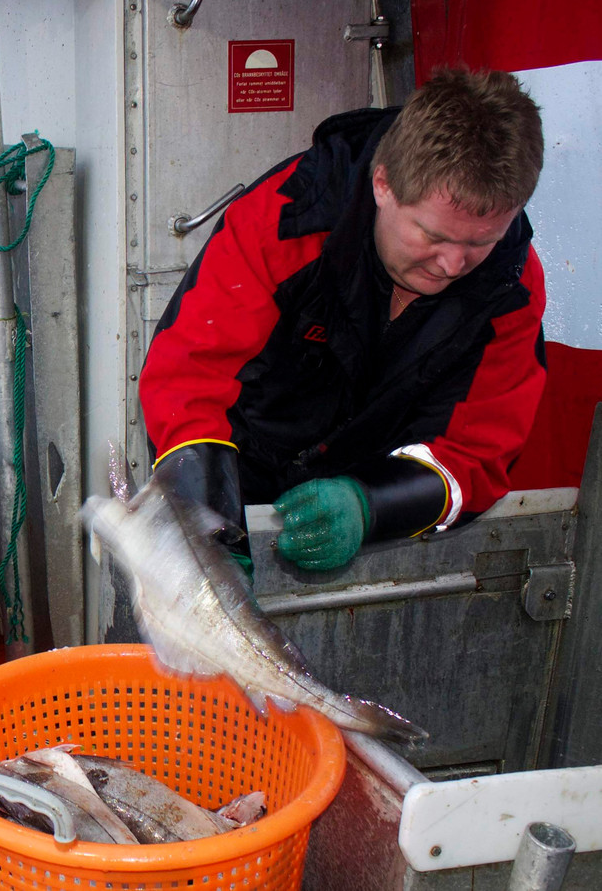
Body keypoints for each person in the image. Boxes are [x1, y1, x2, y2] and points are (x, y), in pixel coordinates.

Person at [140, 69, 547, 573]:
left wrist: (370, 505)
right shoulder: (286, 219)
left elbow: (479, 452)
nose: (451, 265)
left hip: (372, 513)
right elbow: (188, 378)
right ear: (384, 184)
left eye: (478, 243)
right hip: (236, 484)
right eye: (433, 236)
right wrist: (210, 541)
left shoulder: (511, 285)